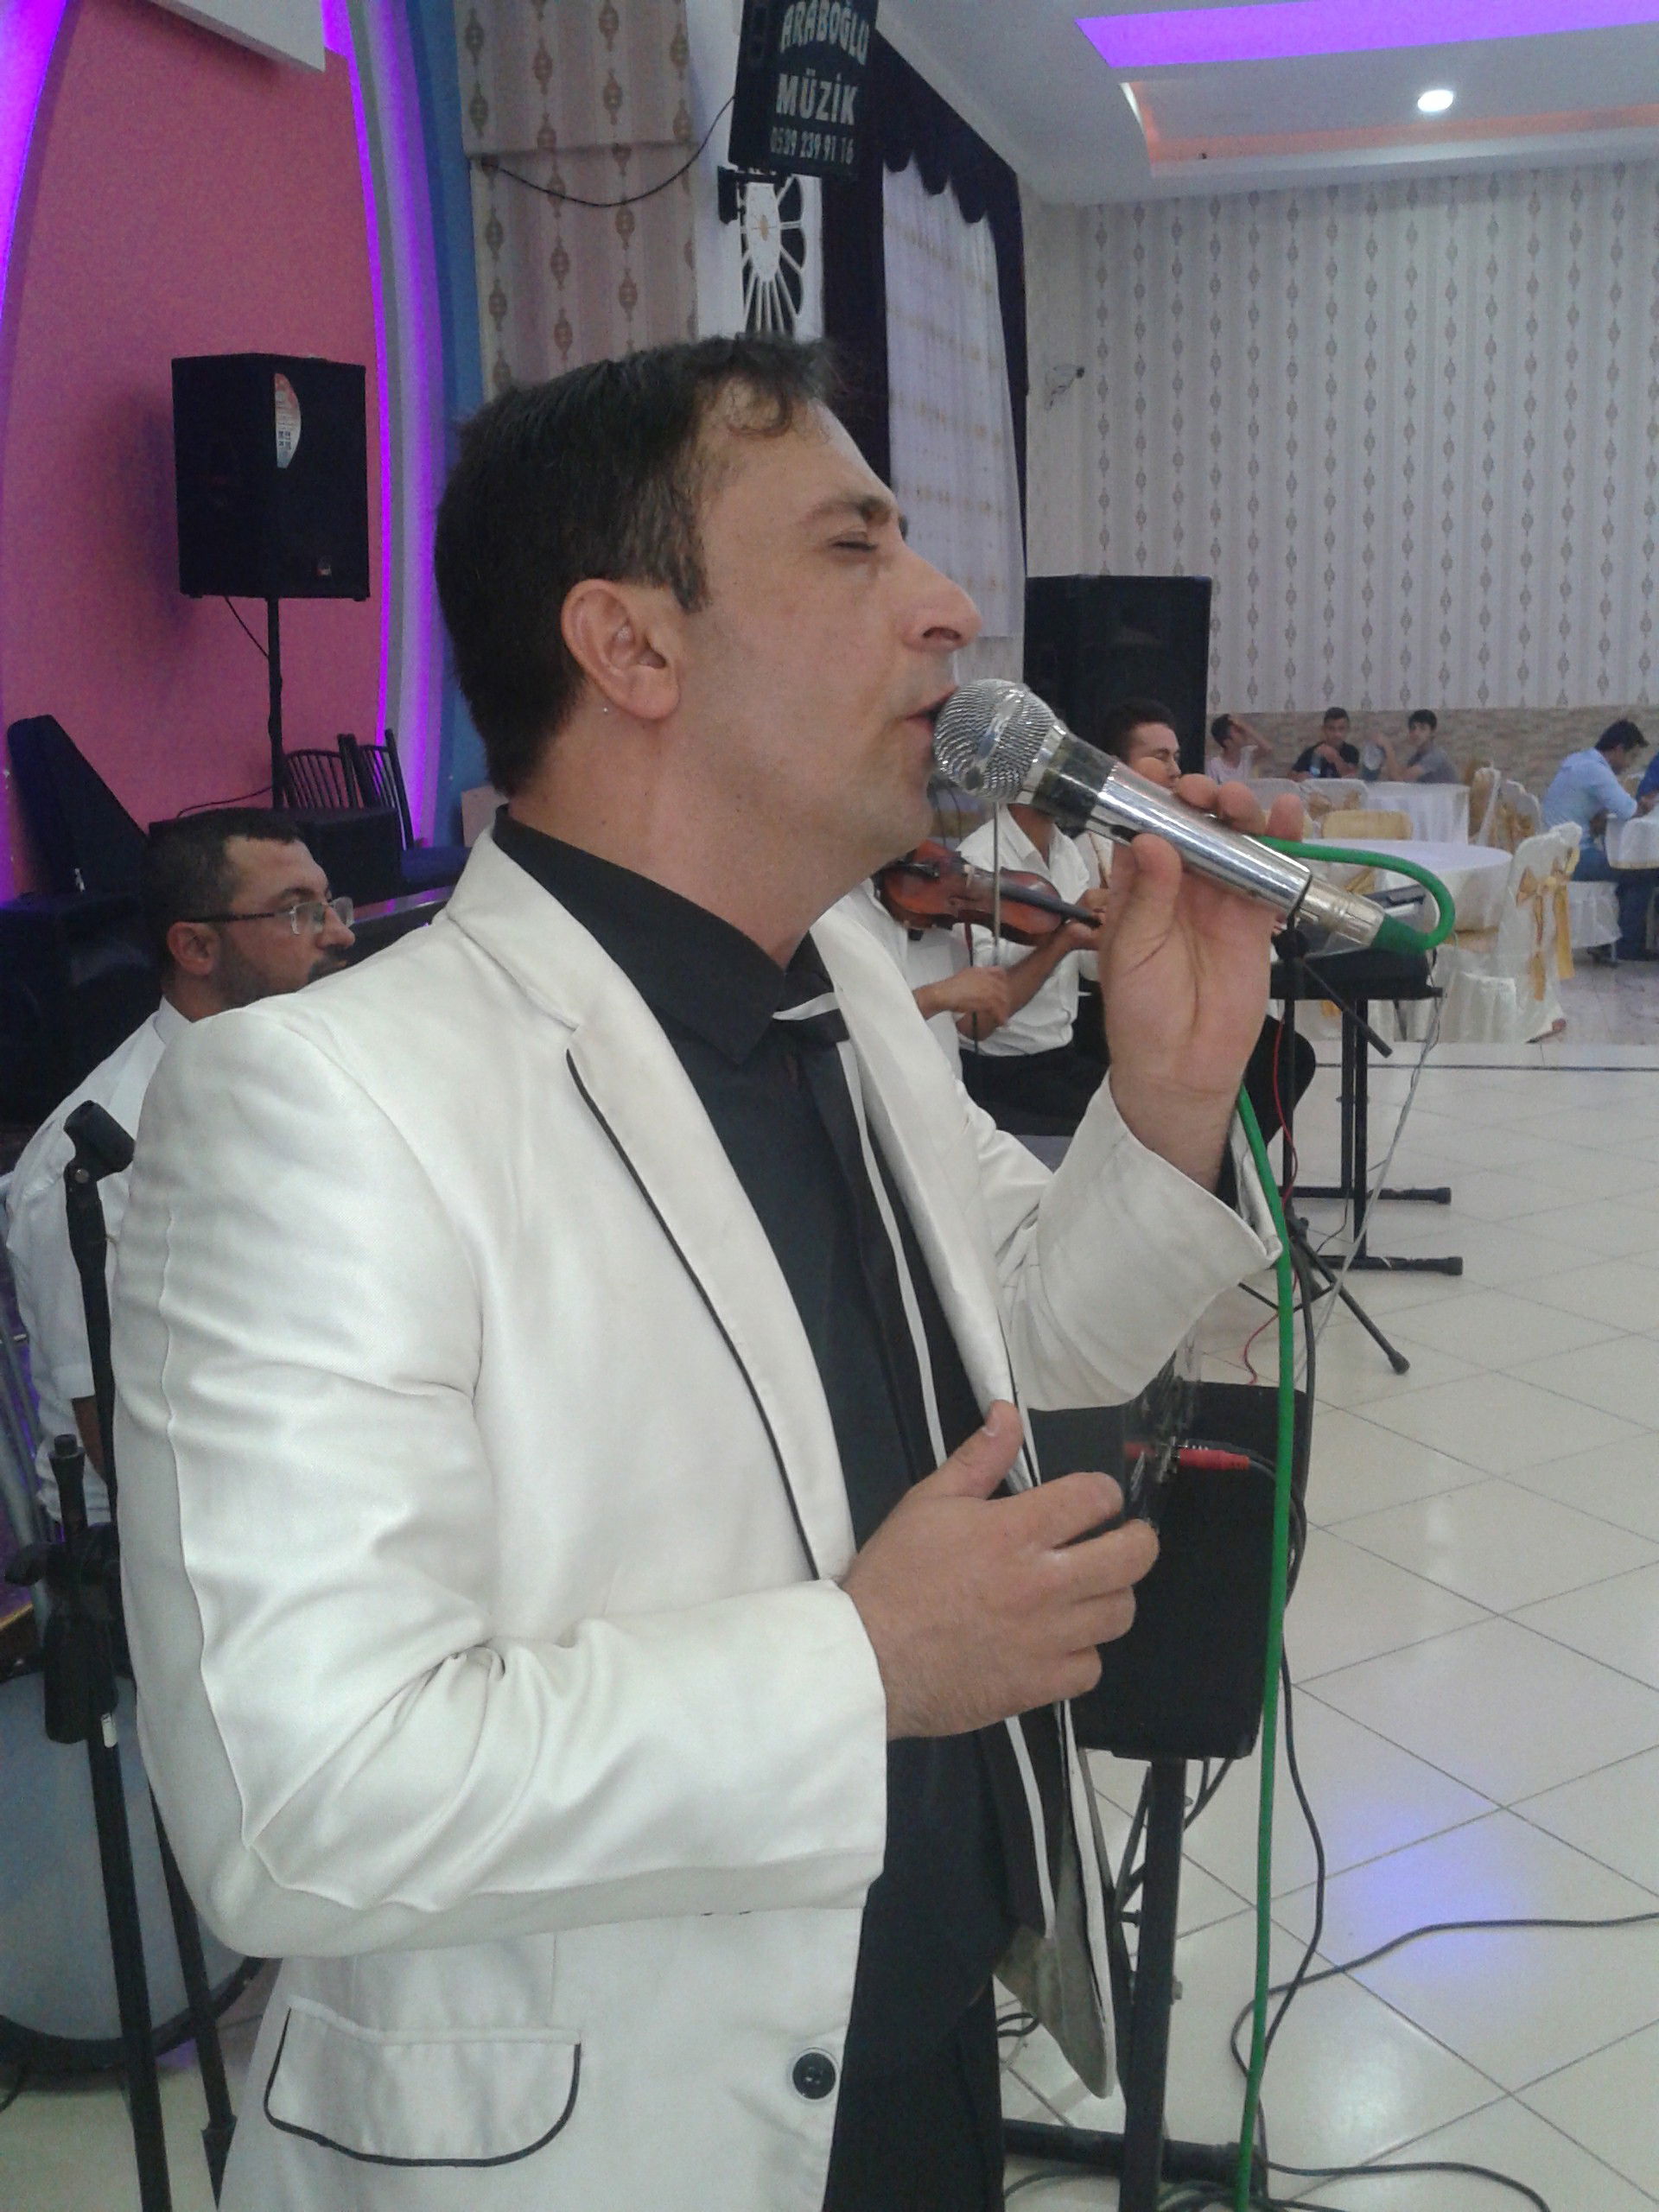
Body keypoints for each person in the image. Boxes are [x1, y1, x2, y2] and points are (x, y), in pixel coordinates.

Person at [113, 338, 1293, 2212]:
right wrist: (861, 1664)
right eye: (854, 544)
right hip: (601, 2140)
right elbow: (298, 1800)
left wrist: (1163, 1103)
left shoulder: (846, 979)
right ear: (630, 648)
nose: (950, 606)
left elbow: (1012, 1335)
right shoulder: (322, 1100)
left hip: (919, 2035)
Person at [3, 810, 353, 1516]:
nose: (339, 933)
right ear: (195, 946)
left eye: (329, 903)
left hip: (315, 1454)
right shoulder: (91, 1164)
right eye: (297, 912)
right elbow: (125, 1449)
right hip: (173, 1530)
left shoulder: (324, 1073)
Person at [1542, 719, 1659, 960]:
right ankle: (1627, 946)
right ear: (1618, 749)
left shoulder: (1579, 760)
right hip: (1573, 859)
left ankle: (1608, 938)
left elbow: (1599, 817)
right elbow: (1629, 810)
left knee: (1629, 869)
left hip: (1554, 853)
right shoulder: (1597, 771)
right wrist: (1645, 804)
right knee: (1643, 872)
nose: (1630, 764)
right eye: (1631, 757)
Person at [1362, 709, 1459, 785]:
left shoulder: (1436, 756)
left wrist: (1388, 747)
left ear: (1432, 733)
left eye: (1422, 728)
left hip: (1448, 802)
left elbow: (1400, 780)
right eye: (1413, 728)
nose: (1416, 733)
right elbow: (1400, 779)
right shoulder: (1415, 759)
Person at [1291, 707, 1360, 780]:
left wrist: (1336, 758)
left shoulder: (1352, 751)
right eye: (1331, 729)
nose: (1337, 734)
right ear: (1323, 729)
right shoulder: (1312, 751)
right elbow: (1290, 776)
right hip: (1316, 787)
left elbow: (1351, 777)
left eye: (1341, 729)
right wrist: (1298, 777)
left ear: (1348, 730)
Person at [1209, 712, 1266, 780]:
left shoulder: (1247, 754)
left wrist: (1246, 727)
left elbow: (1267, 748)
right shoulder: (1215, 765)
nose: (1242, 733)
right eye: (1237, 731)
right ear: (1227, 742)